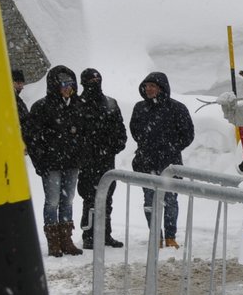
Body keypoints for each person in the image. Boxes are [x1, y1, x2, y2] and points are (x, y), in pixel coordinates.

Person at [129, 72, 194, 249]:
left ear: (161, 88)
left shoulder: (177, 108)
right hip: (146, 163)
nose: (148, 89)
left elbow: (188, 134)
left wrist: (170, 147)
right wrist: (147, 145)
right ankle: (155, 236)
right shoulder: (139, 108)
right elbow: (135, 131)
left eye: (152, 86)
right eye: (146, 86)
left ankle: (170, 236)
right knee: (150, 201)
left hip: (170, 164)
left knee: (170, 201)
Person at [28, 64, 87, 256]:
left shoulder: (78, 105)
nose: (67, 88)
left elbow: (84, 133)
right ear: (55, 85)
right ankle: (53, 241)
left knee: (68, 201)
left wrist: (80, 155)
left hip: (71, 163)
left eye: (70, 83)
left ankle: (66, 239)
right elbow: (33, 138)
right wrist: (41, 162)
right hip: (51, 164)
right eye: (63, 84)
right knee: (52, 201)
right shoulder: (41, 107)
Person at [76, 68, 128, 249]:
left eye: (97, 80)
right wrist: (85, 152)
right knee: (89, 198)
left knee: (107, 197)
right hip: (87, 161)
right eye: (91, 81)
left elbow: (121, 132)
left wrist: (113, 147)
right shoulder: (78, 104)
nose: (94, 84)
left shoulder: (110, 103)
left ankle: (105, 234)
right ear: (83, 83)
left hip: (107, 160)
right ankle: (88, 235)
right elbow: (74, 134)